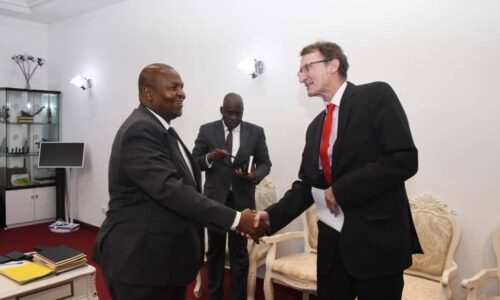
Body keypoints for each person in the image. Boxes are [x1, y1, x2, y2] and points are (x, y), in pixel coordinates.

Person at [253, 42, 422, 300]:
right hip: (333, 248)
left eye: (307, 67)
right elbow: (307, 184)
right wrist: (270, 216)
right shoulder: (315, 127)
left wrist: (342, 189)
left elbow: (404, 159)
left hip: (377, 245)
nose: (301, 77)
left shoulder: (375, 96)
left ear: (334, 65)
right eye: (299, 72)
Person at [92, 63, 268, 300]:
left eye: (182, 87)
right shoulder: (141, 129)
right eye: (173, 87)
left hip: (160, 260)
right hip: (140, 262)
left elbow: (185, 177)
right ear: (148, 94)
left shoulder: (161, 129)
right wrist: (237, 218)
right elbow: (172, 190)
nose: (182, 93)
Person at [192, 93, 272, 300]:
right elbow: (195, 161)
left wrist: (255, 175)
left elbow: (265, 163)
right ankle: (214, 296)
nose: (234, 117)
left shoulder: (256, 132)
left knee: (239, 255)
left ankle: (238, 296)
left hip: (242, 203)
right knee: (215, 252)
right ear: (221, 111)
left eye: (239, 113)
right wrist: (210, 157)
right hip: (214, 202)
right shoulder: (206, 130)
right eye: (230, 113)